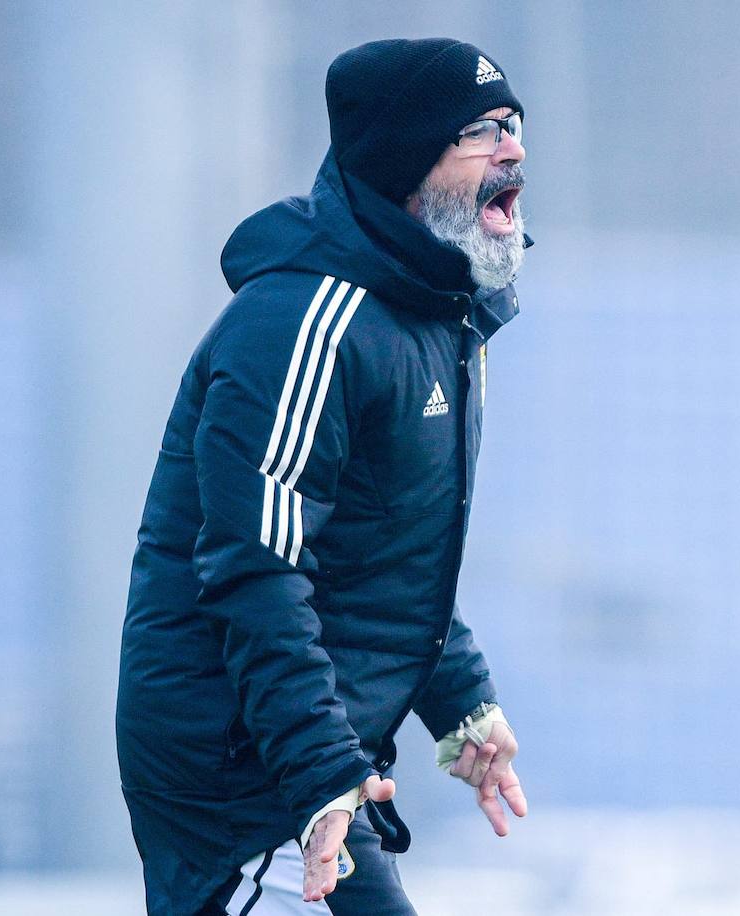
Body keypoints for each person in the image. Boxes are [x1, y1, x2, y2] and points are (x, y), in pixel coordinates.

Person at [116, 37, 532, 914]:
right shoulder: (305, 321)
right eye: (481, 132)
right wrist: (320, 777)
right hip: (237, 781)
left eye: (514, 125)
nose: (514, 150)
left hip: (303, 764)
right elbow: (256, 571)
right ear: (404, 163)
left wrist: (459, 699)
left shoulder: (441, 319)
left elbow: (383, 556)